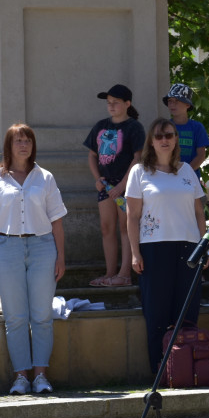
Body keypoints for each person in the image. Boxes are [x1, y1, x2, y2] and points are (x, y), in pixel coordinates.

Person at [0, 124, 67, 395]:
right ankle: (21, 376)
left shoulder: (46, 178)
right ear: (9, 146)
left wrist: (61, 256)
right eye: (18, 140)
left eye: (27, 140)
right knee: (15, 317)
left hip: (42, 247)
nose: (23, 145)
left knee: (41, 315)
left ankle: (40, 375)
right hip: (7, 249)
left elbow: (57, 222)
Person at [125, 118, 206, 375]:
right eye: (159, 136)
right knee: (157, 314)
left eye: (169, 135)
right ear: (151, 140)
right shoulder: (139, 172)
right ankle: (161, 372)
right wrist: (135, 253)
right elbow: (132, 216)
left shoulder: (187, 171)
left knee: (187, 311)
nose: (164, 140)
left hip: (190, 249)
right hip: (154, 248)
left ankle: (186, 370)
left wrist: (205, 249)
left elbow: (199, 213)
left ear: (175, 139)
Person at [84, 84, 145, 287]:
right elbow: (92, 155)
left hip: (127, 186)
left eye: (116, 102)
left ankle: (124, 274)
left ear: (127, 104)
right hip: (106, 186)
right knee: (106, 227)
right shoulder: (101, 126)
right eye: (109, 103)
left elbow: (138, 158)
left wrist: (123, 184)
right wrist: (97, 178)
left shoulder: (134, 127)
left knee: (125, 227)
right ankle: (110, 273)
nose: (111, 106)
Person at [163, 83, 209, 182]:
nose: (172, 104)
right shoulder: (164, 127)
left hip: (190, 178)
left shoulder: (197, 127)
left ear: (187, 104)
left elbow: (201, 155)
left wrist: (184, 172)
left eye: (177, 101)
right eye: (170, 101)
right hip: (167, 177)